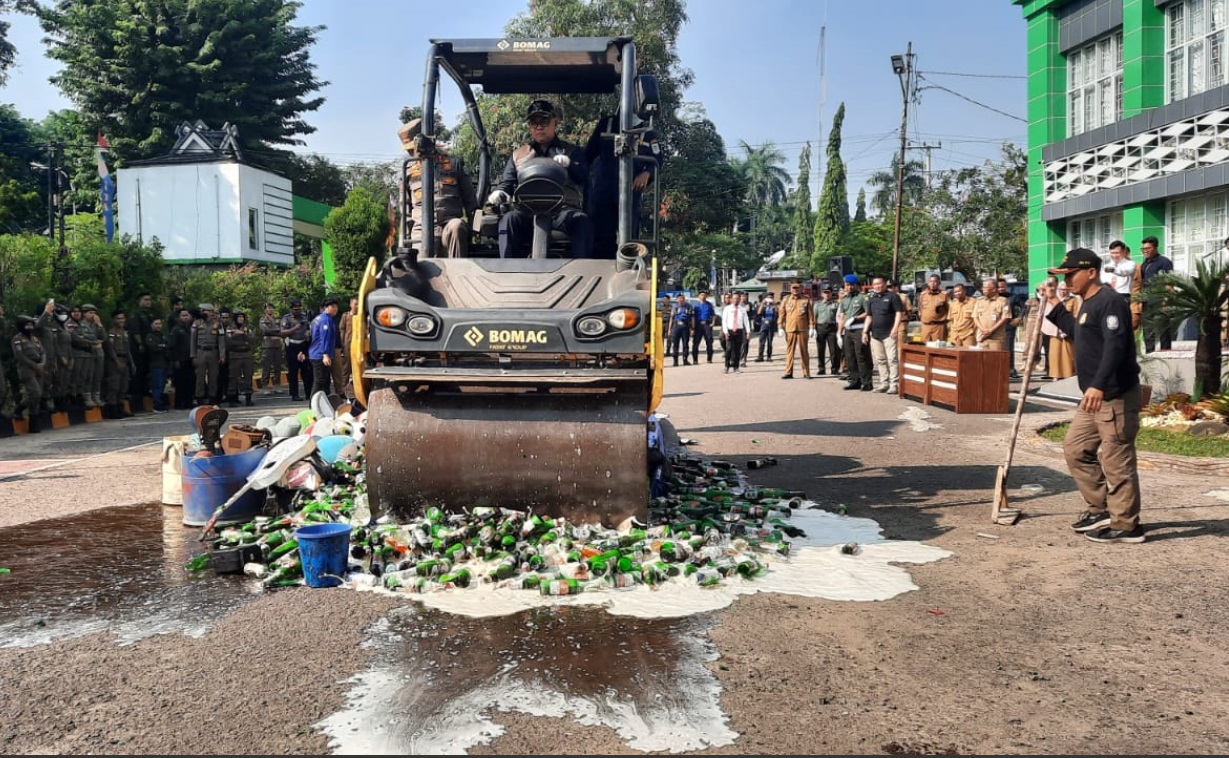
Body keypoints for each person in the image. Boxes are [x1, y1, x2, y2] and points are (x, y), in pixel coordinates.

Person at [1046, 247, 1145, 544]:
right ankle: (1101, 507)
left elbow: (1115, 346)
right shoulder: (1086, 302)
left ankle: (1127, 525)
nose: (1066, 281)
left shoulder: (1110, 302)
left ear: (1091, 273)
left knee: (1117, 460)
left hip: (1113, 394)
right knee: (1075, 449)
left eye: (1070, 275)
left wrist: (1099, 384)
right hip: (1094, 399)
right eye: (1062, 276)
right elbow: (1078, 332)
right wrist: (1053, 303)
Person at [490, 100, 592, 259]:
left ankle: (582, 268)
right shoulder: (518, 155)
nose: (539, 126)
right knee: (509, 219)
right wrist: (500, 192)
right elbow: (507, 183)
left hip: (562, 210)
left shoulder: (572, 151)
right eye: (533, 122)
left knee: (581, 221)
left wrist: (570, 164)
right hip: (527, 211)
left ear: (555, 122)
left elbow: (583, 178)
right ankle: (507, 270)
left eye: (544, 120)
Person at [584, 111, 661, 254]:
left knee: (630, 242)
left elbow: (657, 161)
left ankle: (628, 269)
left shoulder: (648, 132)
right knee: (601, 240)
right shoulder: (606, 124)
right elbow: (587, 156)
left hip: (631, 194)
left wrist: (647, 173)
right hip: (603, 192)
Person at [399, 118, 479, 257]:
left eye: (413, 148)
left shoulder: (453, 164)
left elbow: (471, 203)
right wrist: (403, 242)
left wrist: (476, 233)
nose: (411, 153)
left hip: (449, 223)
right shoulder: (408, 171)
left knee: (457, 227)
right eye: (409, 150)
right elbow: (404, 210)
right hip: (421, 228)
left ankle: (458, 274)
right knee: (421, 258)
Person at [866, 276, 905, 393]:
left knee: (892, 359)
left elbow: (899, 313)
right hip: (875, 334)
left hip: (889, 333)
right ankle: (884, 383)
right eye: (875, 284)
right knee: (880, 360)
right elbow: (869, 316)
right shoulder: (872, 299)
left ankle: (894, 384)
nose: (877, 286)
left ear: (884, 284)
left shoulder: (893, 296)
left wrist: (895, 328)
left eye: (879, 284)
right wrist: (865, 331)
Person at [1138, 235, 1175, 352]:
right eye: (1143, 249)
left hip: (1160, 298)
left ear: (1155, 248)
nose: (1145, 251)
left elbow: (1169, 282)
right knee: (1147, 327)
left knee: (1163, 326)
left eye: (1148, 249)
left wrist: (1166, 301)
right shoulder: (1145, 264)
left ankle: (1165, 351)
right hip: (1146, 299)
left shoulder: (1164, 262)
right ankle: (1150, 352)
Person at [837, 274, 872, 391]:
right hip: (848, 331)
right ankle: (854, 380)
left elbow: (868, 313)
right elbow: (842, 317)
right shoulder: (844, 299)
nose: (850, 287)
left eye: (852, 285)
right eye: (847, 285)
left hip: (859, 329)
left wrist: (856, 318)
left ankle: (866, 382)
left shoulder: (863, 297)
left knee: (861, 355)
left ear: (856, 285)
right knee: (850, 356)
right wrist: (839, 333)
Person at [12, 315, 46, 432]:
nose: (29, 327)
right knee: (35, 393)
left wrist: (42, 363)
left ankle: (33, 423)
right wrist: (34, 365)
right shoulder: (17, 339)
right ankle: (18, 409)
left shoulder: (35, 338)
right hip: (27, 369)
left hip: (39, 368)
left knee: (37, 396)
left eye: (31, 325)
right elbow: (20, 356)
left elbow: (43, 352)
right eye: (27, 325)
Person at [191, 304, 226, 406]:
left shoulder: (217, 324)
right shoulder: (196, 323)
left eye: (210, 311)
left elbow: (221, 341)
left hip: (213, 352)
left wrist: (222, 355)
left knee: (213, 376)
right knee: (200, 377)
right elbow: (193, 341)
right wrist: (193, 355)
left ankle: (212, 397)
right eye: (207, 311)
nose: (209, 313)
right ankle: (200, 398)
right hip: (200, 352)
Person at [103, 311, 135, 419]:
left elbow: (128, 349)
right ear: (114, 320)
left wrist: (132, 363)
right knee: (114, 386)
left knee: (124, 386)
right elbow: (110, 349)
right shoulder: (111, 333)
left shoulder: (124, 333)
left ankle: (121, 408)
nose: (121, 320)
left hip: (125, 360)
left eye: (122, 318)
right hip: (115, 361)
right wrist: (116, 362)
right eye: (118, 318)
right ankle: (112, 409)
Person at [279, 298, 312, 401]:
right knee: (293, 372)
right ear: (291, 309)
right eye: (295, 309)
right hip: (292, 345)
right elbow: (282, 333)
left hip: (303, 345)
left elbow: (309, 329)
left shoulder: (305, 317)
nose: (297, 311)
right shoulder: (286, 318)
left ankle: (308, 393)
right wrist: (296, 328)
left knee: (306, 371)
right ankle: (294, 394)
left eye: (299, 309)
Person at [779, 282, 813, 379]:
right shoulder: (786, 300)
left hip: (802, 328)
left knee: (804, 351)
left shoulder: (805, 299)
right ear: (790, 289)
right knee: (790, 351)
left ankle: (806, 372)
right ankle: (788, 372)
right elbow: (782, 314)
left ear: (801, 289)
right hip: (790, 328)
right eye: (793, 288)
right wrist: (780, 326)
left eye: (797, 288)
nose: (795, 290)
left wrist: (812, 327)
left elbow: (810, 315)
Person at [308, 298, 340, 398]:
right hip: (320, 355)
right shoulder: (326, 319)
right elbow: (324, 338)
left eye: (336, 306)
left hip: (317, 353)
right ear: (326, 308)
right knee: (319, 381)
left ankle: (326, 405)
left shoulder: (320, 318)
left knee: (325, 381)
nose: (335, 309)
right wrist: (325, 354)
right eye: (332, 307)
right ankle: (312, 406)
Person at [225, 311, 255, 407]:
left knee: (248, 376)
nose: (241, 319)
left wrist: (242, 334)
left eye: (242, 317)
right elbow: (229, 342)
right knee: (233, 377)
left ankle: (248, 398)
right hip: (235, 355)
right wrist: (237, 336)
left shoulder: (247, 327)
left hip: (246, 354)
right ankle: (232, 398)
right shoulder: (230, 328)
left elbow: (251, 339)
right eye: (239, 317)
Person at [973, 278, 1011, 352]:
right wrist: (983, 330)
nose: (982, 289)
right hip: (981, 338)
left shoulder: (1003, 301)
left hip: (996, 338)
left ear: (993, 289)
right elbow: (975, 317)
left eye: (985, 287)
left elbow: (1004, 318)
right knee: (981, 362)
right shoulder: (979, 301)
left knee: (995, 362)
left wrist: (991, 330)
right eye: (982, 287)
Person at [170, 308, 196, 410]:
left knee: (190, 381)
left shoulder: (191, 328)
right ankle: (179, 403)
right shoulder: (176, 329)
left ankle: (188, 402)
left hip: (190, 359)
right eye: (183, 315)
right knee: (180, 382)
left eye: (187, 315)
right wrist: (175, 359)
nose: (185, 317)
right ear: (178, 317)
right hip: (180, 360)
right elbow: (172, 345)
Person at [812, 286, 840, 374]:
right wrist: (813, 329)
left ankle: (835, 369)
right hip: (820, 328)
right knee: (820, 350)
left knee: (834, 350)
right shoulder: (817, 304)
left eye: (828, 293)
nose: (826, 294)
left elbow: (839, 317)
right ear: (822, 294)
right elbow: (814, 317)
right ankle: (821, 368)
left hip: (832, 328)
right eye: (825, 293)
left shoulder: (836, 304)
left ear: (831, 294)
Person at [259, 303, 285, 395]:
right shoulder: (263, 320)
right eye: (268, 308)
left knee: (277, 366)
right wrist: (276, 331)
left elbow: (283, 330)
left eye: (271, 308)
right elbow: (265, 330)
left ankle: (277, 385)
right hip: (267, 346)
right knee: (267, 366)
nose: (270, 310)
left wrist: (275, 332)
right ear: (265, 310)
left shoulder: (277, 319)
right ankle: (265, 385)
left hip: (277, 345)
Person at [720, 292, 750, 374]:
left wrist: (748, 332)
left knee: (737, 350)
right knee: (729, 349)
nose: (736, 300)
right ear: (731, 299)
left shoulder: (742, 309)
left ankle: (736, 367)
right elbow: (724, 321)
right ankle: (726, 366)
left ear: (740, 299)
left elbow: (746, 321)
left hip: (739, 331)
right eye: (734, 298)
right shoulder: (727, 309)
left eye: (737, 298)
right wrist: (725, 332)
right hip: (730, 331)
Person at [145, 317, 171, 412]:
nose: (158, 326)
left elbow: (168, 346)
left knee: (163, 384)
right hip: (156, 364)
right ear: (151, 325)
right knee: (157, 385)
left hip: (164, 363)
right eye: (156, 324)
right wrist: (162, 346)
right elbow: (154, 347)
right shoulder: (150, 336)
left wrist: (162, 346)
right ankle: (157, 404)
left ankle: (161, 402)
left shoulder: (163, 336)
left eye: (159, 323)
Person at [917, 274, 949, 342]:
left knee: (938, 349)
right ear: (928, 283)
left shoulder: (944, 295)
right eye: (930, 281)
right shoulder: (923, 295)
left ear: (939, 283)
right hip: (926, 326)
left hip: (939, 327)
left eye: (935, 281)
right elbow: (920, 309)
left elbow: (949, 310)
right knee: (925, 349)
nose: (932, 283)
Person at [668, 294, 694, 367]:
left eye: (682, 298)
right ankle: (675, 361)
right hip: (676, 326)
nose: (680, 300)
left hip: (685, 326)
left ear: (684, 299)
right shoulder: (675, 307)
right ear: (677, 300)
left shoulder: (689, 306)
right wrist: (669, 329)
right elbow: (671, 318)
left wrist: (692, 328)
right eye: (679, 299)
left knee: (685, 344)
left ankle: (685, 359)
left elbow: (692, 318)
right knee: (675, 344)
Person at [691, 291, 716, 364]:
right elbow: (692, 317)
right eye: (701, 295)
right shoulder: (695, 306)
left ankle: (709, 359)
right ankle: (695, 360)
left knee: (709, 342)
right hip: (698, 325)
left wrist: (713, 322)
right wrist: (692, 327)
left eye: (705, 295)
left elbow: (713, 315)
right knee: (695, 343)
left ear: (706, 296)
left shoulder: (709, 305)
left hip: (707, 325)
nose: (703, 297)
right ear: (699, 296)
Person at [755, 292, 778, 362]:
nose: (769, 299)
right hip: (764, 324)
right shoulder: (764, 306)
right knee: (762, 341)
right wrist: (763, 303)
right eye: (768, 298)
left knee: (770, 341)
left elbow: (779, 312)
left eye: (771, 298)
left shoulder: (774, 306)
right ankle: (760, 356)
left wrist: (774, 304)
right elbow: (759, 312)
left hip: (771, 324)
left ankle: (769, 356)